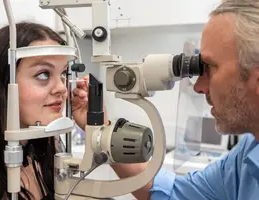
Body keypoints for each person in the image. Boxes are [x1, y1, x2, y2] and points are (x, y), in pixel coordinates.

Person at [73, 0, 259, 199]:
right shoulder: (247, 153)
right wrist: (102, 132)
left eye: (210, 68)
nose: (198, 87)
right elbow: (175, 193)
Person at [0, 22, 103, 200]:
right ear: (3, 82)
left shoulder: (47, 140)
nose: (62, 88)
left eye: (64, 73)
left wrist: (97, 128)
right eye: (43, 74)